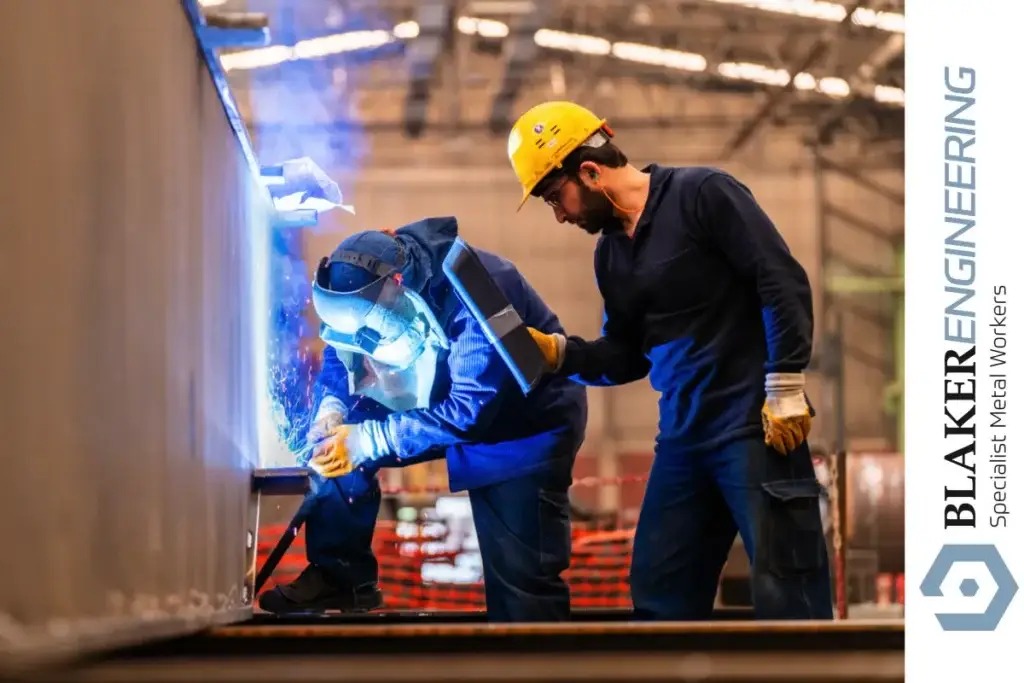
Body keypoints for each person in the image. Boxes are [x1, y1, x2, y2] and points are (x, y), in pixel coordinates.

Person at [505, 101, 833, 621]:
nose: (561, 214)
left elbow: (779, 279)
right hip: (683, 440)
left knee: (786, 586)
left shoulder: (703, 195)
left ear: (589, 171)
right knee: (660, 592)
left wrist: (786, 380)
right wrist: (560, 354)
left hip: (756, 428)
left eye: (555, 196)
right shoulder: (611, 255)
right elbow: (628, 355)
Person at [258, 216, 588, 622]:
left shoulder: (477, 289)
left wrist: (368, 441)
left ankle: (536, 665)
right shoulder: (363, 288)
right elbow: (341, 349)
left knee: (520, 586)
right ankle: (341, 575)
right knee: (335, 444)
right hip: (436, 395)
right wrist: (332, 408)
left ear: (397, 284)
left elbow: (470, 411)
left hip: (520, 430)